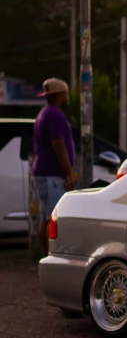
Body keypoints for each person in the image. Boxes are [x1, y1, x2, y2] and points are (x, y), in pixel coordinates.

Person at [32, 78, 77, 250]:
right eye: (65, 94)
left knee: (46, 218)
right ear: (60, 95)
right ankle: (51, 256)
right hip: (52, 174)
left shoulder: (44, 113)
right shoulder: (55, 114)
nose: (67, 97)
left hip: (44, 172)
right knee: (54, 218)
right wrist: (68, 173)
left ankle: (45, 256)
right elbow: (58, 143)